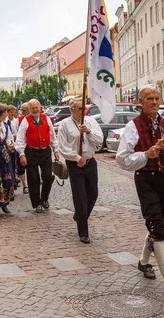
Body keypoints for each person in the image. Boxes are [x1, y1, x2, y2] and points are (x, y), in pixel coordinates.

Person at [116, 85, 164, 301]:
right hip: (146, 178)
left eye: (156, 98)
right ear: (141, 103)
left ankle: (144, 261)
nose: (154, 102)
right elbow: (122, 159)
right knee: (157, 223)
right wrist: (145, 155)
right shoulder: (133, 126)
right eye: (149, 99)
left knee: (159, 221)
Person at [57, 99, 104, 243]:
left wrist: (88, 131)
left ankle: (79, 216)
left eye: (84, 108)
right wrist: (77, 158)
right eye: (79, 108)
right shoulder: (65, 124)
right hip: (75, 164)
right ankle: (83, 231)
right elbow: (63, 147)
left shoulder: (90, 121)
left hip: (90, 162)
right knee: (80, 197)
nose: (82, 111)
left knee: (93, 194)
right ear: (72, 110)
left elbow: (99, 140)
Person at [15, 98, 59, 213]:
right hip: (31, 151)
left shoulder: (46, 119)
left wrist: (56, 150)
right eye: (32, 108)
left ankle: (44, 199)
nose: (35, 110)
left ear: (40, 108)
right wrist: (22, 154)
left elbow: (52, 135)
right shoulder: (26, 120)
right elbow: (20, 139)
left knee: (48, 177)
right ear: (29, 109)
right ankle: (36, 203)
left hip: (45, 151)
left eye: (36, 108)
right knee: (33, 179)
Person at [16, 102, 30, 194]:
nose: (22, 112)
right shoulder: (19, 120)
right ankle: (25, 185)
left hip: (31, 146)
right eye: (21, 110)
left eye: (24, 110)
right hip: (21, 146)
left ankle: (30, 184)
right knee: (21, 167)